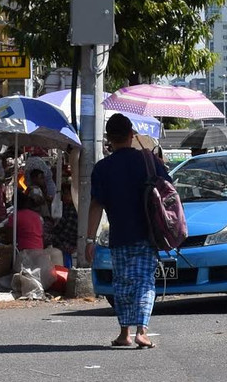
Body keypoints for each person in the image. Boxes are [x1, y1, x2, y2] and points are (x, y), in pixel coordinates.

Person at [85, 113, 169, 350]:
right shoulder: (148, 161)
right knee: (144, 281)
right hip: (147, 234)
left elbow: (96, 205)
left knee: (122, 284)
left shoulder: (103, 168)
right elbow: (168, 189)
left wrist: (90, 239)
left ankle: (125, 333)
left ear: (108, 139)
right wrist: (158, 162)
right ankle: (142, 331)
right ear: (132, 134)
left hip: (119, 235)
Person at [50, 180, 78, 267]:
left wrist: (54, 239)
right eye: (64, 194)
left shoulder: (73, 210)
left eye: (67, 194)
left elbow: (68, 231)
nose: (64, 196)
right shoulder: (65, 207)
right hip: (63, 240)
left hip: (69, 242)